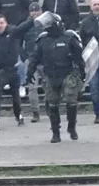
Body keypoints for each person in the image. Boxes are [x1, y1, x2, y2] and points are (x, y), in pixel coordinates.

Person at [24, 11, 85, 143]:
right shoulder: (42, 40)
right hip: (51, 75)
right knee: (52, 104)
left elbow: (79, 58)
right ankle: (55, 133)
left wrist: (82, 72)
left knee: (71, 101)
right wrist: (29, 73)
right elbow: (34, 58)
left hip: (67, 73)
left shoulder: (69, 37)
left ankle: (72, 127)